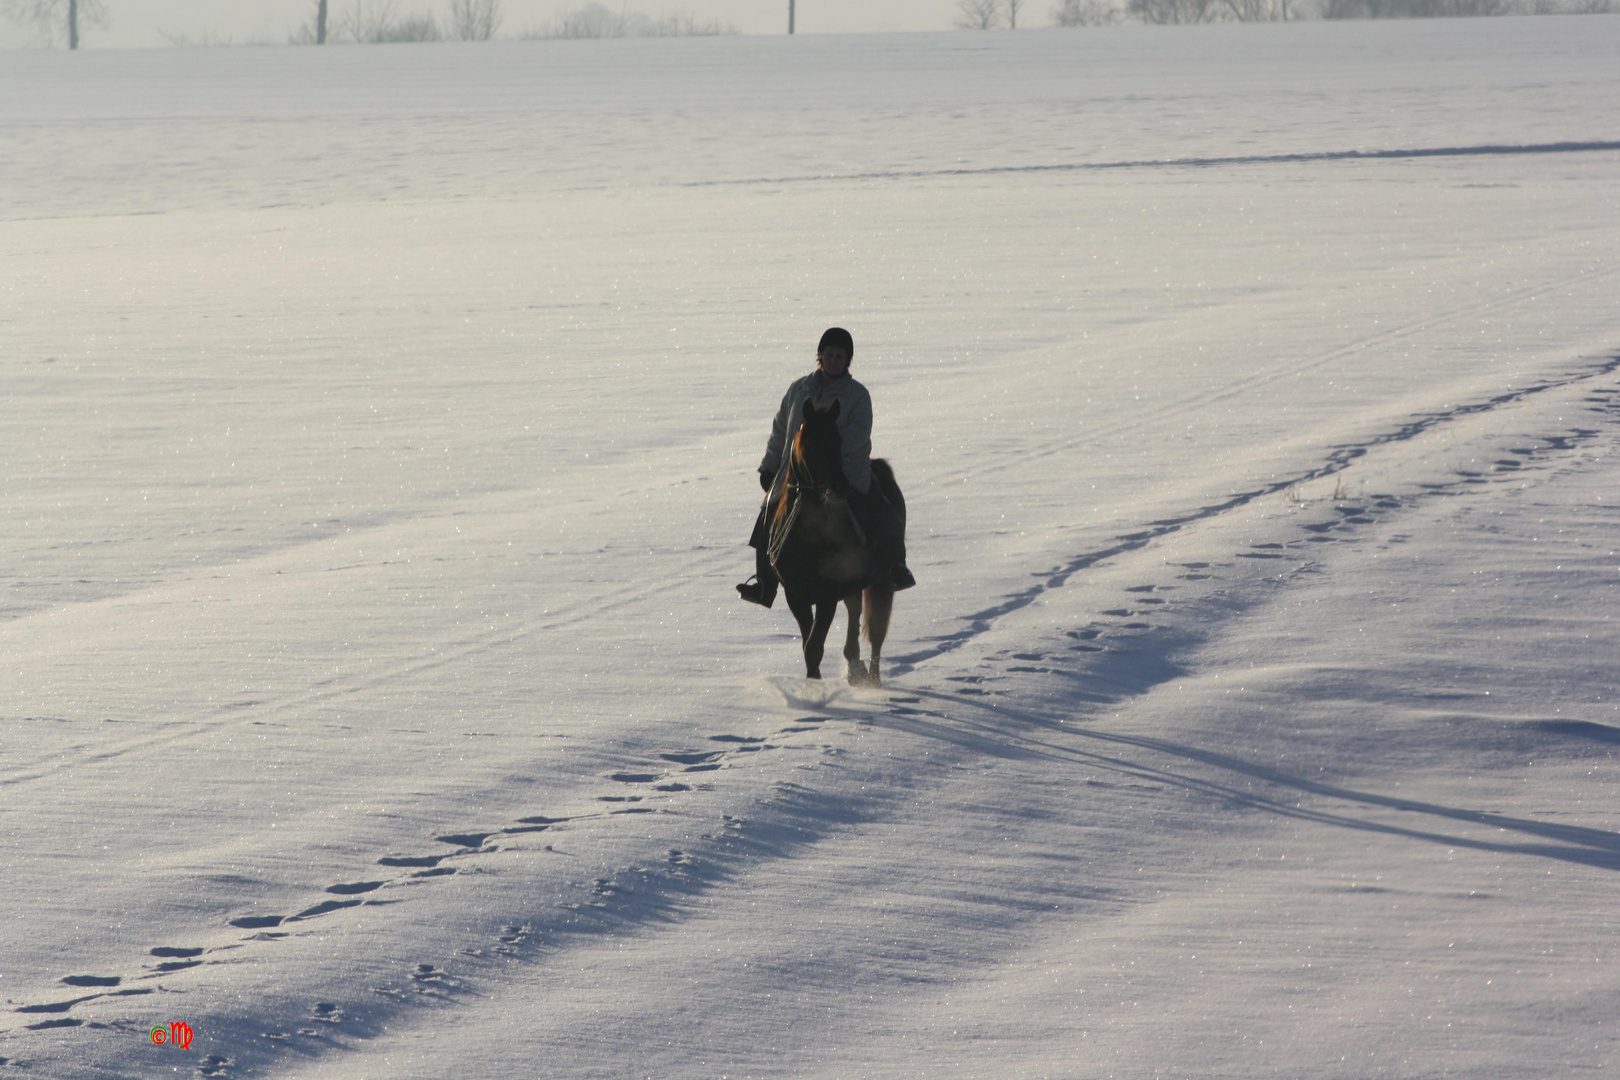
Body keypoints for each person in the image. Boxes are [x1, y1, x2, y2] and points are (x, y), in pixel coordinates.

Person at [736, 327, 915, 608]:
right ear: (820, 356)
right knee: (767, 514)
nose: (833, 360)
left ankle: (895, 566)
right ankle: (764, 584)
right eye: (829, 354)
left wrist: (824, 446)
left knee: (880, 509)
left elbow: (860, 432)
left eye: (839, 356)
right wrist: (769, 466)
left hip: (844, 473)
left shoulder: (857, 395)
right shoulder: (799, 389)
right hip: (798, 475)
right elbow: (781, 428)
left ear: (848, 360)